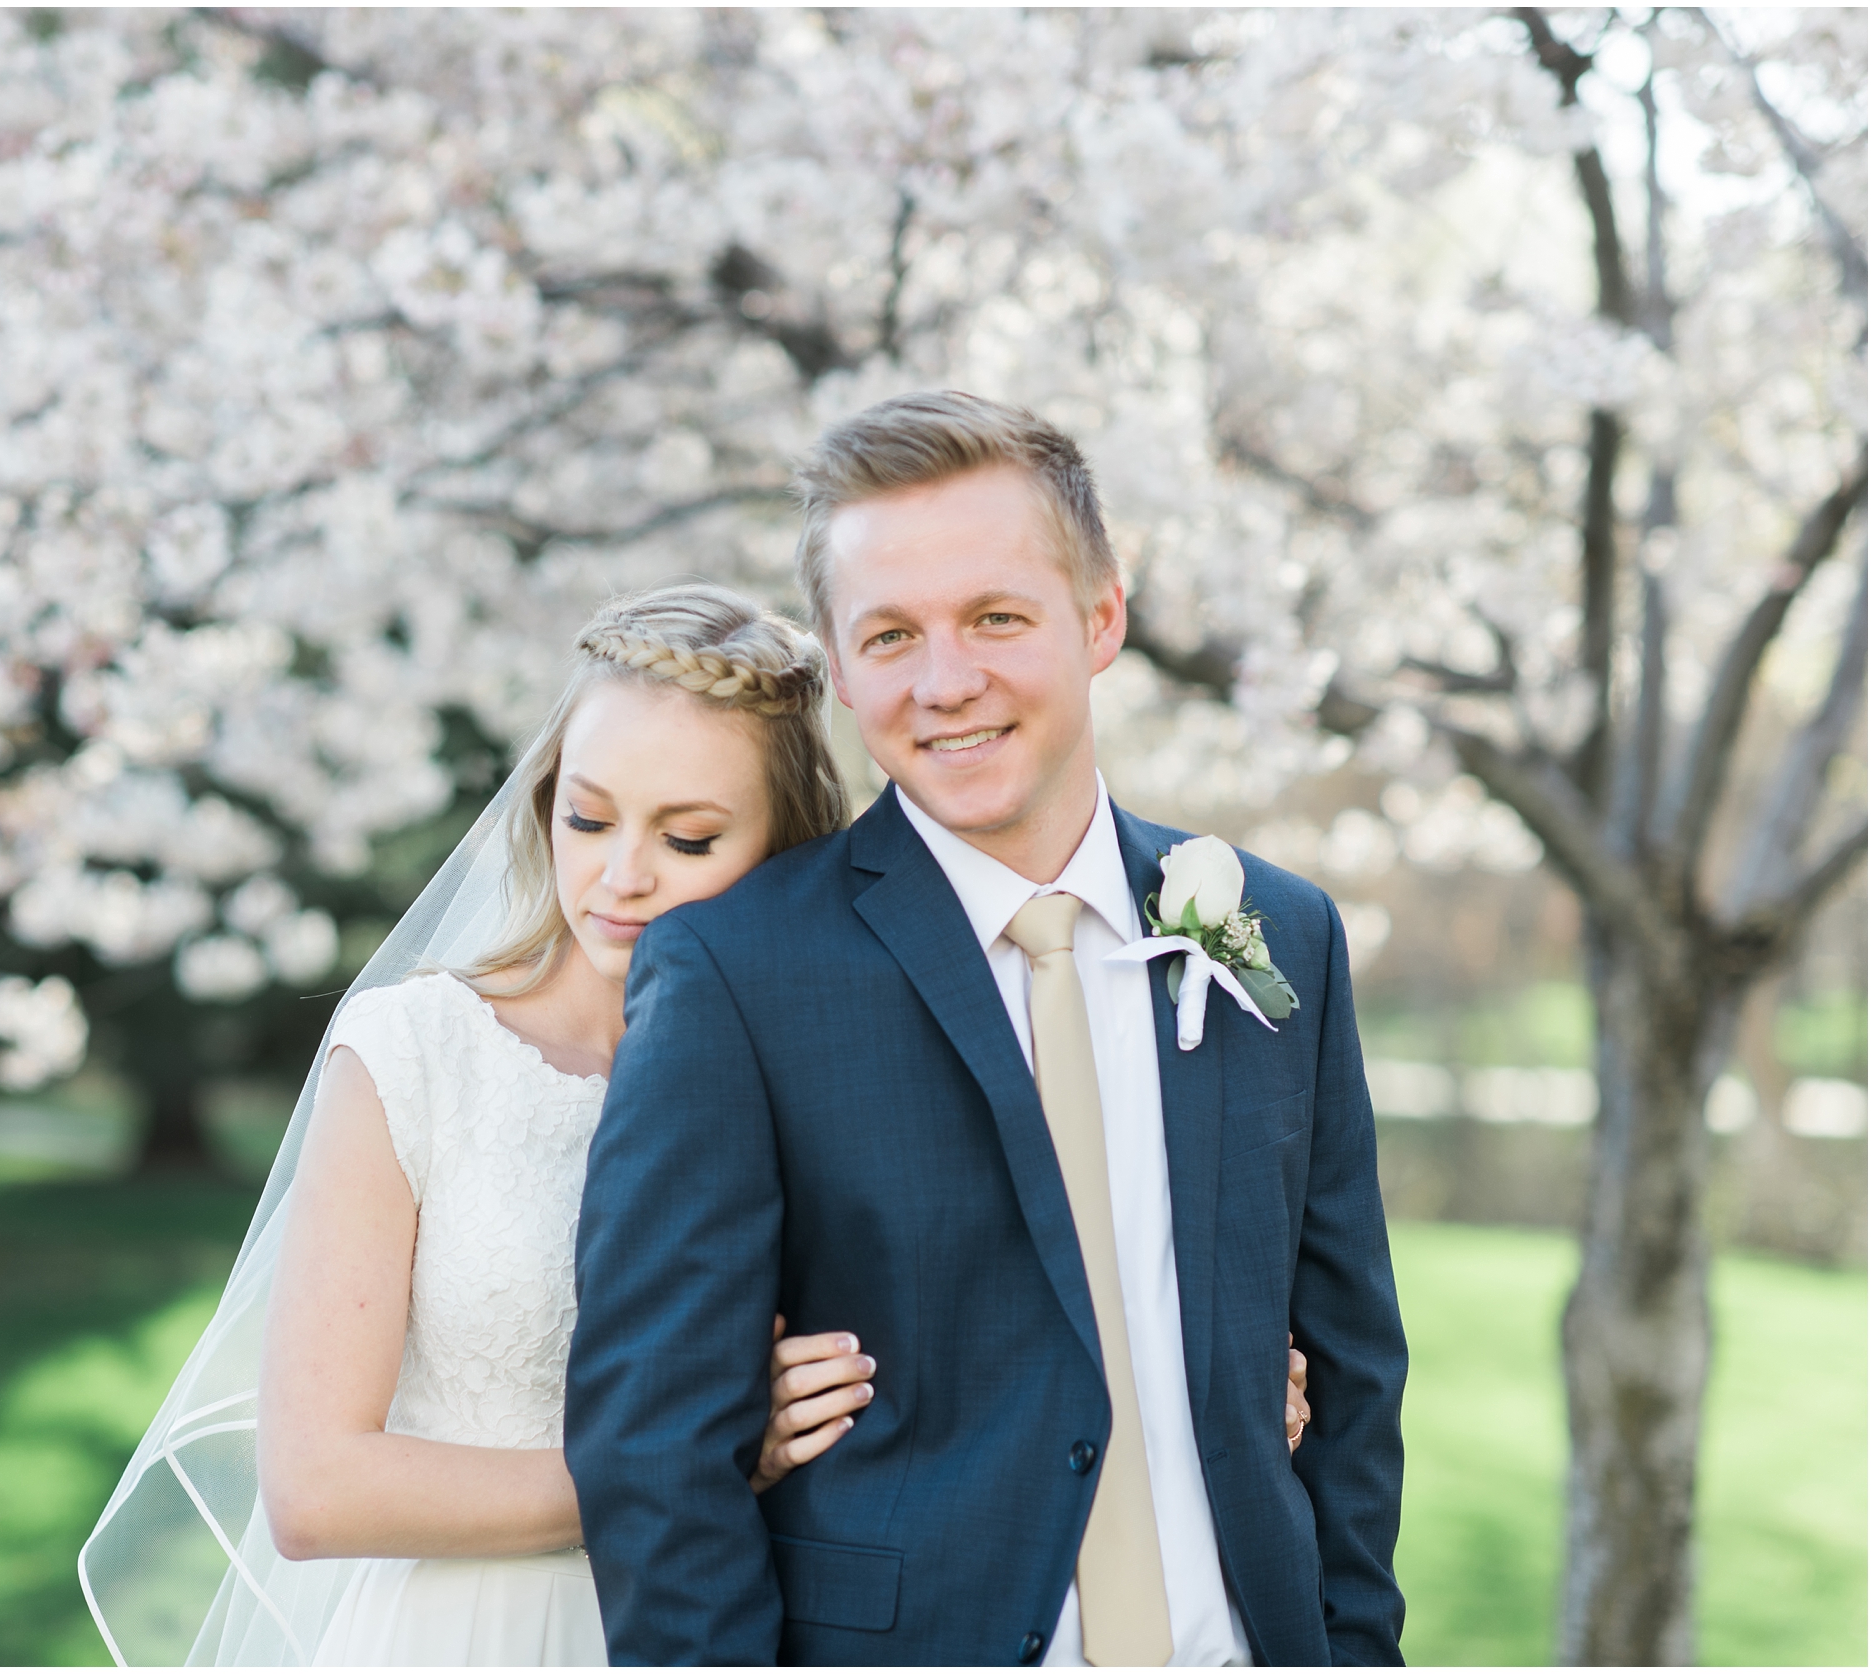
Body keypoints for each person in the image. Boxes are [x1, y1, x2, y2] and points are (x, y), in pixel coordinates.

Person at [82, 579, 1320, 1667]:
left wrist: (1182, 1382)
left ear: (789, 856)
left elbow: (1007, 1301)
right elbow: (315, 1490)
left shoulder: (854, 1058)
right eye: (586, 816)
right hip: (477, 1634)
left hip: (756, 1623)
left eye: (687, 839)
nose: (620, 876)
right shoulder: (416, 1056)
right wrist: (696, 1465)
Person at [566, 394, 1406, 1666]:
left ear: (1101, 616)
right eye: (890, 635)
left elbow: (1349, 1385)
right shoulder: (736, 973)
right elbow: (653, 1451)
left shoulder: (1278, 937)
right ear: (839, 671)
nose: (946, 681)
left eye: (996, 618)